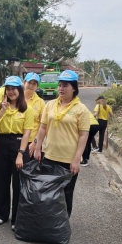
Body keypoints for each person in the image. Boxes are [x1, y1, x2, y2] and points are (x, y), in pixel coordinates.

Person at [34, 70, 90, 218]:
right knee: (48, 191)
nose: (61, 88)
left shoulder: (81, 109)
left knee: (66, 193)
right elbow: (43, 128)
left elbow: (84, 135)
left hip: (68, 159)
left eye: (65, 85)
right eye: (60, 85)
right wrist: (38, 147)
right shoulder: (50, 105)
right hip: (50, 156)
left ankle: (62, 225)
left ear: (74, 88)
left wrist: (77, 159)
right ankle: (49, 223)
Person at [0, 76, 34, 230]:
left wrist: (21, 154)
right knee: (1, 180)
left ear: (19, 90)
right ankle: (1, 214)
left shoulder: (26, 108)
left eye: (14, 88)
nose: (11, 91)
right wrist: (2, 110)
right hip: (2, 143)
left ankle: (17, 217)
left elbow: (27, 133)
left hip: (20, 145)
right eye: (8, 89)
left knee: (19, 183)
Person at [23, 72, 45, 158]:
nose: (31, 86)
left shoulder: (40, 102)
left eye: (34, 84)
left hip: (32, 142)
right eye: (29, 82)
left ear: (37, 86)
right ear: (24, 82)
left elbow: (42, 125)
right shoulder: (16, 99)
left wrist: (36, 142)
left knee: (30, 169)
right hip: (17, 140)